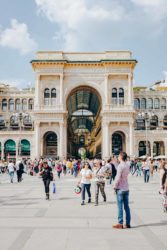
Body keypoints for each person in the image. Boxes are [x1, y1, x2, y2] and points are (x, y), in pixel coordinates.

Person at [113, 152, 131, 229]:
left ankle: (120, 223)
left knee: (120, 207)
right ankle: (127, 223)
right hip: (126, 188)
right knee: (126, 207)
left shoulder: (120, 166)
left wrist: (114, 186)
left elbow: (118, 177)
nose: (118, 157)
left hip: (120, 188)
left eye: (119, 156)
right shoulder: (127, 165)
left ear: (121, 157)